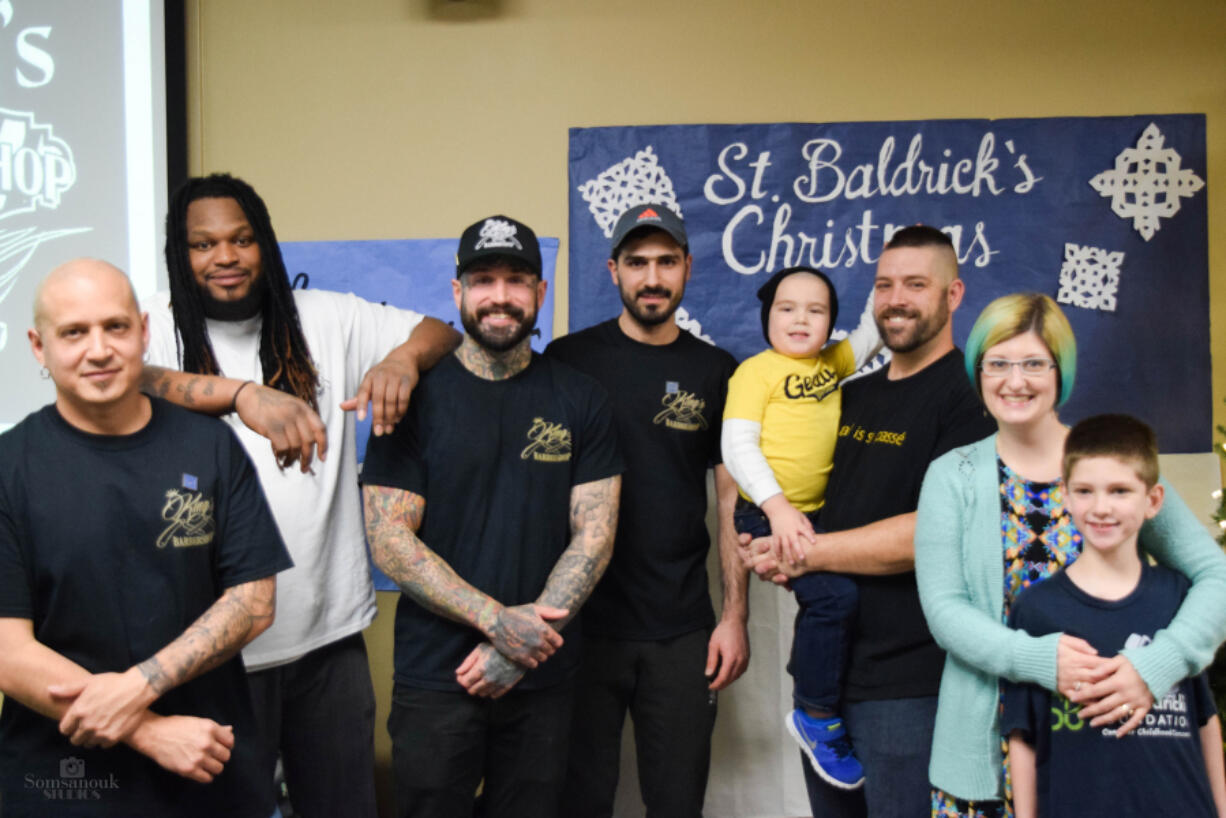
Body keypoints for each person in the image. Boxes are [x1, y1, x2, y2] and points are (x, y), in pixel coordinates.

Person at [143, 173, 459, 816]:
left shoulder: (326, 317)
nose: (225, 257)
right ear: (181, 255)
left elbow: (441, 332)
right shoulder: (153, 329)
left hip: (326, 640)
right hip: (207, 653)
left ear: (266, 246)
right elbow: (131, 381)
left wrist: (401, 360)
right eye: (203, 245)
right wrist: (239, 394)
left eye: (241, 239)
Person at [913, 294, 1226, 817]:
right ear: (978, 371)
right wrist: (1036, 659)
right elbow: (946, 610)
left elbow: (1214, 574)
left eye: (1035, 363)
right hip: (983, 758)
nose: (1016, 381)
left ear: (1062, 371)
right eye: (998, 363)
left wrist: (1156, 666)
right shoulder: (952, 475)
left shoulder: (1106, 464)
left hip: (1102, 754)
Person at [0, 259, 291, 817]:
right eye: (74, 333)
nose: (99, 349)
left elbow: (254, 605)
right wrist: (149, 731)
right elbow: (9, 652)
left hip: (210, 774)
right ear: (39, 346)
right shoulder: (11, 467)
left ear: (143, 330)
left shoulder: (209, 447)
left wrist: (136, 688)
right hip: (64, 787)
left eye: (115, 326)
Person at [360, 214, 624, 818]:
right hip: (437, 676)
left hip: (543, 676)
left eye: (516, 279)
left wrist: (521, 647)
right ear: (457, 294)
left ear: (541, 293)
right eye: (483, 280)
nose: (500, 296)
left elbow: (596, 533)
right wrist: (498, 623)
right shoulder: (413, 395)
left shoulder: (581, 398)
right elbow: (390, 538)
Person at [745, 225, 996, 817]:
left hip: (914, 684)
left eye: (915, 284)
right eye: (884, 284)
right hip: (825, 685)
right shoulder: (850, 395)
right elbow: (790, 477)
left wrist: (801, 552)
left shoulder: (970, 398)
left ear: (953, 294)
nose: (895, 299)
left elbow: (934, 534)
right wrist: (762, 534)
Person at [548, 203, 749, 817]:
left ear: (688, 267)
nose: (652, 277)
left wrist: (735, 615)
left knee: (677, 802)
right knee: (578, 801)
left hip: (681, 628)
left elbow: (731, 502)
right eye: (637, 262)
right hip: (578, 624)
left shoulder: (715, 371)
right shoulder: (566, 360)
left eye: (666, 261)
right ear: (613, 270)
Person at [1002, 414, 1226, 818]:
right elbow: (1023, 737)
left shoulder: (1179, 598)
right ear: (1065, 497)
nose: (1101, 508)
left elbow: (1205, 720)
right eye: (1085, 491)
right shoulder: (1036, 610)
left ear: (1153, 500)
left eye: (1120, 490)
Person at [721, 264, 880, 791]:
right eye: (787, 308)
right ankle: (815, 713)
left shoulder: (831, 365)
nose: (800, 319)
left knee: (853, 596)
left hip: (820, 514)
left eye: (816, 311)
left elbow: (873, 331)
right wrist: (778, 507)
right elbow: (737, 446)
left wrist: (889, 273)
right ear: (768, 316)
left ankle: (835, 705)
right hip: (766, 512)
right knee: (835, 600)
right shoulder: (755, 373)